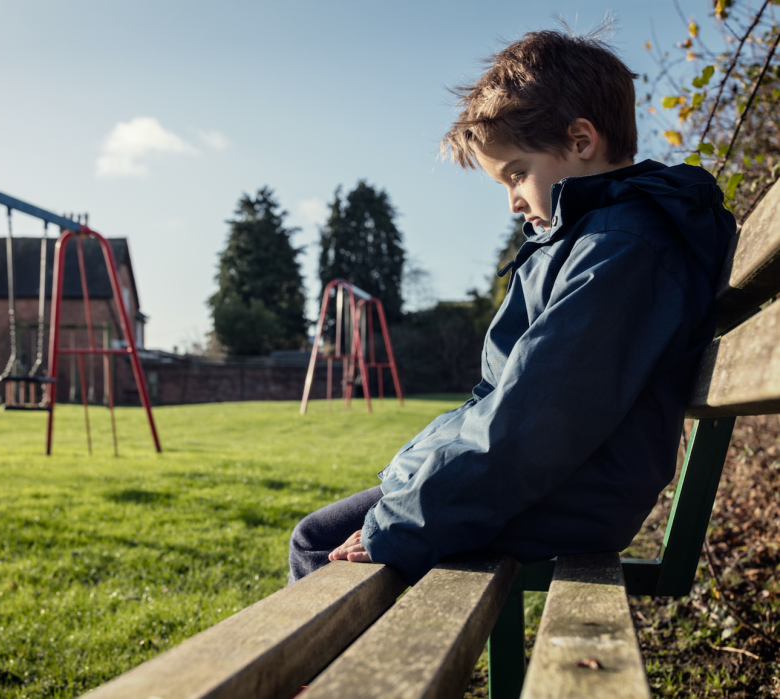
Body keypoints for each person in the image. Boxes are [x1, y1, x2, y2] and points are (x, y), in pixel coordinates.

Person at [288, 27, 736, 585]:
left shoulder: (623, 250)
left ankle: (339, 679)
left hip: (569, 491)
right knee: (327, 532)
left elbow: (537, 418)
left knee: (317, 544)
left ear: (580, 140)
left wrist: (400, 524)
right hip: (556, 481)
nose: (512, 201)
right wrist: (415, 475)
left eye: (518, 173)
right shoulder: (587, 241)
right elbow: (507, 398)